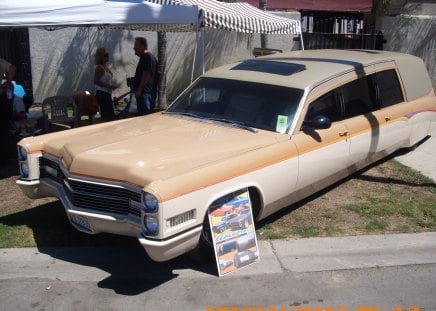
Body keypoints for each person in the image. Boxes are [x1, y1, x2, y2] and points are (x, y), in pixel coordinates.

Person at [133, 37, 158, 115]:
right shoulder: (147, 57)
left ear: (143, 46)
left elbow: (146, 74)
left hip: (145, 93)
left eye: (136, 45)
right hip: (146, 93)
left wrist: (139, 90)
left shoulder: (146, 57)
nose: (134, 48)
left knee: (145, 117)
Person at [94, 48, 118, 122]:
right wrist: (108, 86)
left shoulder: (106, 67)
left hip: (107, 93)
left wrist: (112, 86)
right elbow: (96, 81)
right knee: (107, 116)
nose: (107, 56)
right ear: (101, 56)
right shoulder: (99, 68)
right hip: (102, 93)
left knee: (110, 115)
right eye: (105, 55)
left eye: (107, 54)